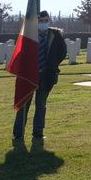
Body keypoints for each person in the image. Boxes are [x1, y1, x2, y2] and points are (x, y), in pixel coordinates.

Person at [12, 10, 67, 142]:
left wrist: (52, 65)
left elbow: (62, 52)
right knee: (24, 105)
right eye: (41, 21)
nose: (43, 23)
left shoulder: (56, 35)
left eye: (46, 21)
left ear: (49, 21)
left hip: (46, 76)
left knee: (41, 106)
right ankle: (18, 134)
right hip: (29, 75)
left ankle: (38, 133)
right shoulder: (29, 35)